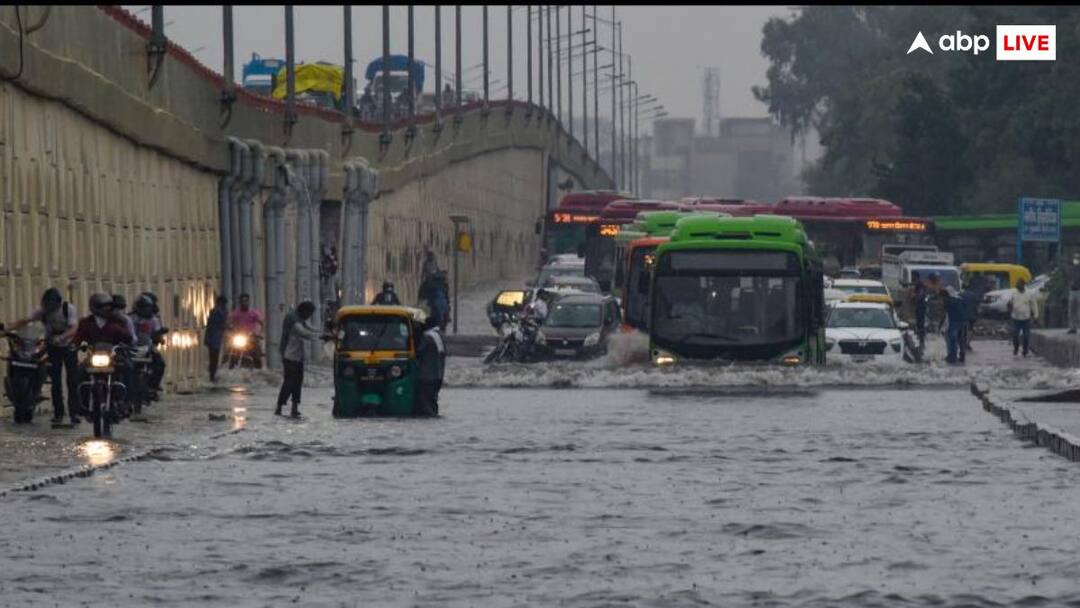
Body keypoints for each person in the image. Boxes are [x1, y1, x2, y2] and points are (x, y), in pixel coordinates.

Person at [6, 288, 80, 424]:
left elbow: (74, 328)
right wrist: (8, 330)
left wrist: (62, 337)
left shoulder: (68, 309)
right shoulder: (42, 311)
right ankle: (58, 413)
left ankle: (74, 413)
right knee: (55, 380)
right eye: (46, 305)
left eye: (51, 305)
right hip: (53, 346)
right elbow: (25, 320)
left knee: (72, 380)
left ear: (57, 303)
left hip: (69, 346)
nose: (49, 308)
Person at [275, 300, 325, 418]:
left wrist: (323, 332)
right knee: (289, 382)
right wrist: (321, 336)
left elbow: (311, 328)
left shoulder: (300, 318)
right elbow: (303, 332)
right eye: (309, 313)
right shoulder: (292, 318)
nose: (309, 316)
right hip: (289, 355)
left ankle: (294, 408)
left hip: (298, 356)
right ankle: (279, 407)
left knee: (297, 382)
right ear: (304, 310)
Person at [414, 315, 446, 417]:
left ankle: (430, 417)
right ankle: (434, 415)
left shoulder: (427, 337)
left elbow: (419, 352)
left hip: (427, 375)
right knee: (433, 399)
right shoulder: (439, 335)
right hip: (439, 375)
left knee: (424, 399)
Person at [228, 293, 265, 368]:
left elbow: (261, 323)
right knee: (231, 350)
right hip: (239, 336)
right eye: (242, 301)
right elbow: (229, 321)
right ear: (240, 302)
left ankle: (258, 367)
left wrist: (258, 332)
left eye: (246, 301)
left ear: (248, 302)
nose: (244, 303)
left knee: (256, 351)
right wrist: (230, 328)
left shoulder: (254, 313)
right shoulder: (236, 313)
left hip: (251, 337)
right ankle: (230, 366)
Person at [1007, 278, 1039, 357]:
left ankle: (1025, 350)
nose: (1017, 286)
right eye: (1017, 285)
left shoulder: (1029, 294)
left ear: (1023, 285)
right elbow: (1010, 304)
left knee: (1026, 336)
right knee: (1014, 335)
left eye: (1019, 284)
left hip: (1026, 319)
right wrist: (1009, 307)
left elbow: (1034, 305)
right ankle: (1016, 347)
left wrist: (1036, 316)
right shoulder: (1014, 293)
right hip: (1015, 318)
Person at [205, 295, 229, 382]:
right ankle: (212, 376)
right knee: (214, 358)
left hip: (215, 338)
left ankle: (213, 375)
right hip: (213, 338)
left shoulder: (218, 311)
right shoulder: (217, 312)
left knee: (214, 358)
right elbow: (220, 324)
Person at [942, 286, 966, 364]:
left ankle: (952, 357)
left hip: (953, 322)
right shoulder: (960, 299)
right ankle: (962, 355)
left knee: (952, 340)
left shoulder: (948, 300)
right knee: (960, 339)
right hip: (962, 321)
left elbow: (945, 313)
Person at [910, 271, 927, 349]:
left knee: (920, 325)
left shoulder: (920, 284)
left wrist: (914, 296)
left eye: (912, 276)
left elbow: (921, 294)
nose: (911, 277)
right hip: (918, 307)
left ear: (915, 276)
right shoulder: (916, 284)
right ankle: (920, 342)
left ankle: (922, 343)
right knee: (918, 325)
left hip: (921, 307)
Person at [1069, 253, 1080, 334]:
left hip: (1079, 290)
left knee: (1078, 310)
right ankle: (1072, 328)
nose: (1075, 260)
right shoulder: (1072, 268)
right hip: (1072, 290)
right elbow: (1070, 278)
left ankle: (1077, 327)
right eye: (1075, 258)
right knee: (1072, 310)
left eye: (1077, 258)